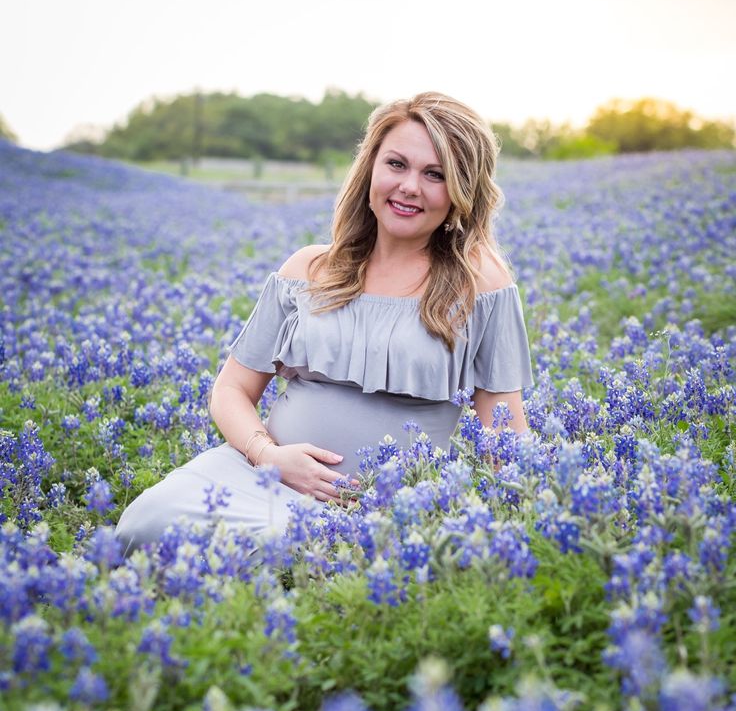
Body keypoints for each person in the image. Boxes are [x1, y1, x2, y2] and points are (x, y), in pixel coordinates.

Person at [115, 91, 534, 551]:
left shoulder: (481, 282)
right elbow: (230, 389)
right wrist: (268, 456)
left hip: (385, 507)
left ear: (460, 193)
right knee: (145, 522)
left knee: (284, 550)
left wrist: (514, 520)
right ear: (370, 168)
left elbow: (503, 426)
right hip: (261, 477)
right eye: (396, 164)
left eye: (435, 174)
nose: (410, 186)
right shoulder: (307, 270)